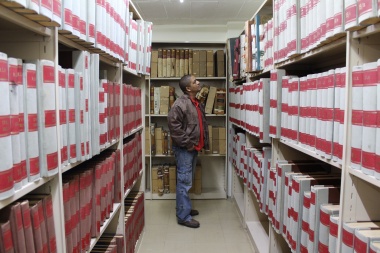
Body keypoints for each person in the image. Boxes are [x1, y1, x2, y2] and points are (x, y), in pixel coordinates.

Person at [167, 74, 209, 228]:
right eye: (195, 81)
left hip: (193, 148)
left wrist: (201, 144)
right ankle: (183, 217)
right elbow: (174, 128)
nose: (199, 82)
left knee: (187, 180)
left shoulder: (196, 103)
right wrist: (189, 144)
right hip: (185, 149)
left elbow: (200, 125)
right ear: (188, 88)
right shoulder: (180, 104)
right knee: (184, 181)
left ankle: (185, 209)